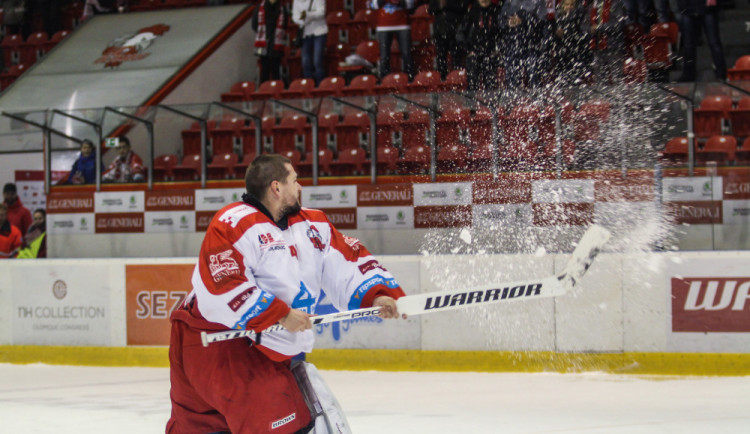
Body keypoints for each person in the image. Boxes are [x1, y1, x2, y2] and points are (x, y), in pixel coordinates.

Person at [166, 154, 406, 433]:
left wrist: (377, 294)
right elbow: (223, 283)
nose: (300, 186)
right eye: (295, 180)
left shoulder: (313, 224)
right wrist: (280, 314)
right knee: (276, 424)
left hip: (249, 346)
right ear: (276, 188)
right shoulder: (233, 223)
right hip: (221, 344)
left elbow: (347, 260)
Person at [498, 0, 550, 88]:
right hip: (513, 44)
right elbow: (500, 21)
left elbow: (542, 23)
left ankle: (537, 98)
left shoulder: (538, 2)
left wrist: (523, 21)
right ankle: (513, 99)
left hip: (532, 45)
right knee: (512, 77)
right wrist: (507, 22)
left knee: (534, 76)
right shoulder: (509, 2)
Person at [674, 0, 726, 82]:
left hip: (707, 8)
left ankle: (721, 73)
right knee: (689, 44)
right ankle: (688, 74)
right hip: (688, 8)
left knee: (714, 42)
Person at [458, 0, 501, 91]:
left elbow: (501, 33)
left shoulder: (497, 12)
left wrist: (497, 50)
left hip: (491, 55)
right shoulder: (472, 12)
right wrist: (468, 50)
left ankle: (490, 104)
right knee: (472, 85)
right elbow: (460, 34)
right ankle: (472, 105)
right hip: (474, 54)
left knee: (490, 87)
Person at [370, 0, 416, 80]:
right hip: (383, 26)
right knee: (384, 56)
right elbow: (373, 5)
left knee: (406, 54)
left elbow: (410, 4)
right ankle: (385, 79)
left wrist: (399, 2)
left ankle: (410, 78)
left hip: (402, 24)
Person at [429, 0, 471, 80]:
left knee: (456, 56)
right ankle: (442, 79)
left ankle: (457, 78)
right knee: (441, 56)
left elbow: (463, 6)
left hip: (455, 29)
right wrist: (440, 5)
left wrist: (446, 4)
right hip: (440, 30)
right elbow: (431, 9)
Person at [554, 0, 592, 84]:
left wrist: (566, 33)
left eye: (572, 5)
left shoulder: (579, 15)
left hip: (577, 52)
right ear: (562, 6)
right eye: (567, 4)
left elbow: (582, 33)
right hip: (562, 54)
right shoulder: (557, 17)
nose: (569, 7)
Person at [252, 0, 289, 83]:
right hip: (262, 45)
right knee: (264, 69)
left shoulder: (282, 9)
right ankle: (264, 92)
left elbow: (285, 25)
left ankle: (276, 91)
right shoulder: (259, 8)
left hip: (277, 44)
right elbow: (254, 25)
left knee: (276, 69)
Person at [292, 0, 328, 86]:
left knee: (317, 62)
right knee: (305, 63)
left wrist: (308, 15)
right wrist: (303, 21)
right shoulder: (296, 1)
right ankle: (309, 86)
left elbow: (321, 13)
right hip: (305, 34)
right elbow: (295, 16)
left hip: (319, 32)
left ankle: (321, 86)